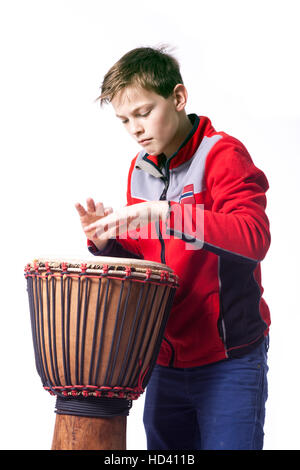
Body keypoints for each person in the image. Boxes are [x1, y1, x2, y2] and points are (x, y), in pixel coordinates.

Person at [75, 46, 270, 450]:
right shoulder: (140, 168)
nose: (135, 128)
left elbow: (253, 238)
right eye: (125, 120)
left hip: (228, 358)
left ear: (178, 98)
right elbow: (152, 264)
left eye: (144, 112)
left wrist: (166, 212)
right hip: (164, 359)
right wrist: (107, 242)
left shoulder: (223, 154)